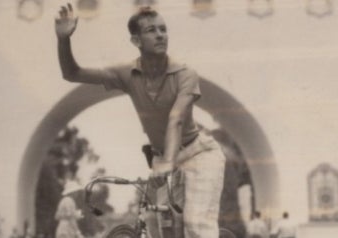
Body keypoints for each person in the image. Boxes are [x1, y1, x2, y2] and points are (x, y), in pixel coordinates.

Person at [55, 4, 226, 237]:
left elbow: (176, 118)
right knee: (158, 228)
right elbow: (72, 73)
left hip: (198, 154)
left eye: (163, 29)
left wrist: (167, 164)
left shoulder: (185, 73)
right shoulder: (126, 73)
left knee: (195, 223)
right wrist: (63, 40)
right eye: (151, 30)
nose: (160, 35)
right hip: (161, 158)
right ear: (136, 40)